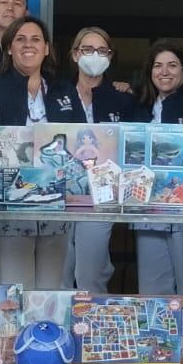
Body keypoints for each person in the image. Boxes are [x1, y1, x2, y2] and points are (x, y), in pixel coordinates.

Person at [0, 15, 71, 290]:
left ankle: (47, 335)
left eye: (36, 39)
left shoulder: (62, 89)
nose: (28, 45)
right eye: (20, 39)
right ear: (9, 47)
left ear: (46, 48)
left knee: (51, 290)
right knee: (14, 289)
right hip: (11, 205)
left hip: (56, 207)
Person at [50, 27, 136, 294]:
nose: (94, 55)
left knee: (91, 273)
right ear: (75, 55)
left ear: (110, 56)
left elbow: (133, 146)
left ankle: (91, 330)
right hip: (60, 194)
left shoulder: (122, 99)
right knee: (58, 274)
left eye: (102, 50)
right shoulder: (54, 94)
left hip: (102, 198)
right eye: (87, 49)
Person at [129, 40, 183, 295]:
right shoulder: (138, 105)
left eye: (172, 65)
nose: (164, 72)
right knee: (152, 287)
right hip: (146, 208)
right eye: (158, 66)